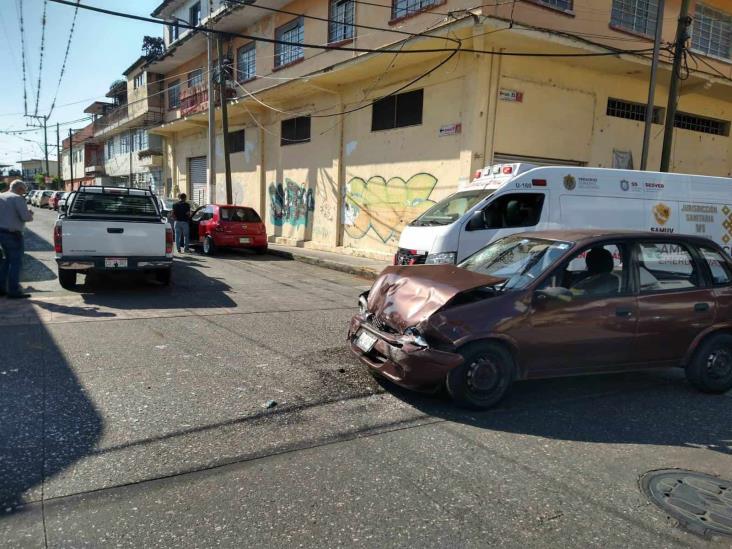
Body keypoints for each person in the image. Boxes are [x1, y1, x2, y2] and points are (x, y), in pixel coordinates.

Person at [0, 180, 34, 298]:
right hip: (12, 234)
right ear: (20, 189)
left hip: (1, 233)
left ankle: (1, 288)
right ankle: (14, 290)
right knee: (15, 262)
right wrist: (30, 213)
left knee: (5, 262)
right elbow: (26, 217)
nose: (23, 194)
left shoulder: (1, 196)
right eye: (23, 191)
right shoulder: (17, 198)